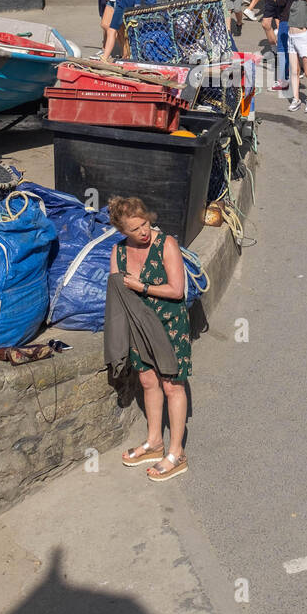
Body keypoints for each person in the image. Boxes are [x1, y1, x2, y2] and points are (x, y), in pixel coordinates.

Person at [113, 197, 191, 482]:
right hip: (139, 326)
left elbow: (177, 290)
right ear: (123, 231)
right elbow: (116, 291)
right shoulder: (118, 251)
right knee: (147, 381)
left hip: (169, 324)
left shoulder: (166, 244)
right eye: (135, 229)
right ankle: (155, 442)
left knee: (172, 385)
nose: (144, 231)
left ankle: (176, 453)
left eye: (145, 223)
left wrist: (141, 286)